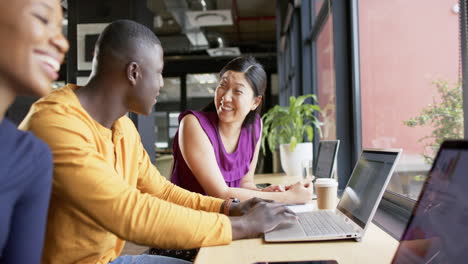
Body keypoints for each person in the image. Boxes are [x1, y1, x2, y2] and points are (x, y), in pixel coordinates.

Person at [19, 20, 297, 264]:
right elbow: (127, 213)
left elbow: (162, 192)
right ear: (134, 72)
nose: (162, 84)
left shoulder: (123, 128)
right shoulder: (56, 123)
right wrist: (242, 225)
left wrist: (230, 207)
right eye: (159, 72)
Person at [170, 56, 313, 204]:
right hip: (192, 220)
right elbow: (220, 194)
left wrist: (264, 193)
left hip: (230, 218)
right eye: (222, 85)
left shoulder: (254, 126)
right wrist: (288, 198)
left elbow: (246, 185)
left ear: (255, 102)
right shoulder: (193, 124)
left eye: (237, 91)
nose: (225, 97)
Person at [0, 0, 69, 263]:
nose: (63, 44)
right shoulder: (53, 122)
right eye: (42, 18)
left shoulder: (30, 157)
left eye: (61, 29)